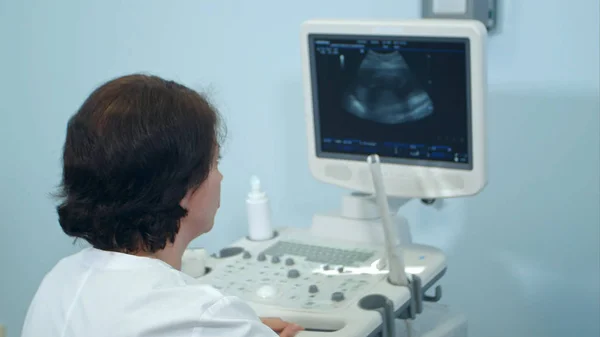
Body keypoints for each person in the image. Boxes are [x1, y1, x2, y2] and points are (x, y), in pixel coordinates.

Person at [21, 74, 304, 337]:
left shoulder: (58, 282)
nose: (220, 177)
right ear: (181, 187)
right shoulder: (203, 317)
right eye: (214, 163)